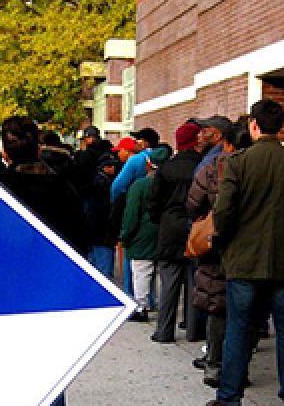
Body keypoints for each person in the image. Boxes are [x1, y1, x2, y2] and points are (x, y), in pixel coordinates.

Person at [207, 99, 284, 406]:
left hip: (244, 259)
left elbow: (223, 211)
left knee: (239, 328)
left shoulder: (239, 163)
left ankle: (230, 396)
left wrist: (223, 241)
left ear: (253, 125)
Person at [0, 115, 88, 406]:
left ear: (4, 151)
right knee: (47, 364)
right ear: (38, 145)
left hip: (11, 291)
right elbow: (81, 239)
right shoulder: (62, 186)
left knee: (16, 372)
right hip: (55, 289)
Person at [187, 121, 250, 387]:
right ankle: (240, 368)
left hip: (216, 245)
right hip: (249, 245)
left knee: (217, 306)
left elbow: (193, 204)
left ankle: (214, 363)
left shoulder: (213, 168)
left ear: (227, 143)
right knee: (245, 309)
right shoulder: (255, 168)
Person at [147, 122, 202, 343]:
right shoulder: (203, 165)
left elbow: (154, 202)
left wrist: (160, 219)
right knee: (194, 281)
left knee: (169, 282)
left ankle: (164, 330)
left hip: (170, 226)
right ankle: (193, 329)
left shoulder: (166, 168)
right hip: (195, 226)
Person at [120, 144, 171, 321]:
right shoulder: (172, 184)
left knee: (141, 273)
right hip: (166, 233)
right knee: (164, 275)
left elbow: (131, 214)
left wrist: (125, 235)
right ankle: (162, 307)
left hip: (142, 236)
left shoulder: (139, 186)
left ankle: (141, 307)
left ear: (149, 164)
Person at [85, 150, 122, 278]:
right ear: (104, 167)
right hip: (102, 235)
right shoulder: (105, 184)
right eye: (110, 165)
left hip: (94, 234)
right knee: (103, 272)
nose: (113, 168)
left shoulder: (95, 181)